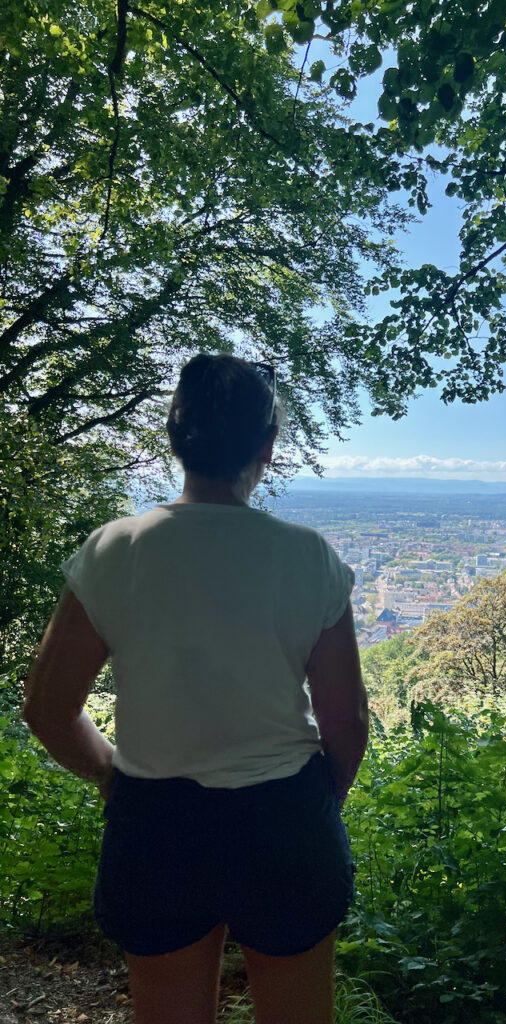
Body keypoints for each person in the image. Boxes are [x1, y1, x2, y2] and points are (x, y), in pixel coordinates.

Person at [22, 353, 369, 1024]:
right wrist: (326, 798)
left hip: (156, 821)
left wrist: (109, 776)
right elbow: (345, 718)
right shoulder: (307, 557)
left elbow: (47, 710)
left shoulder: (113, 550)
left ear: (174, 438)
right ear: (267, 447)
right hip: (285, 817)